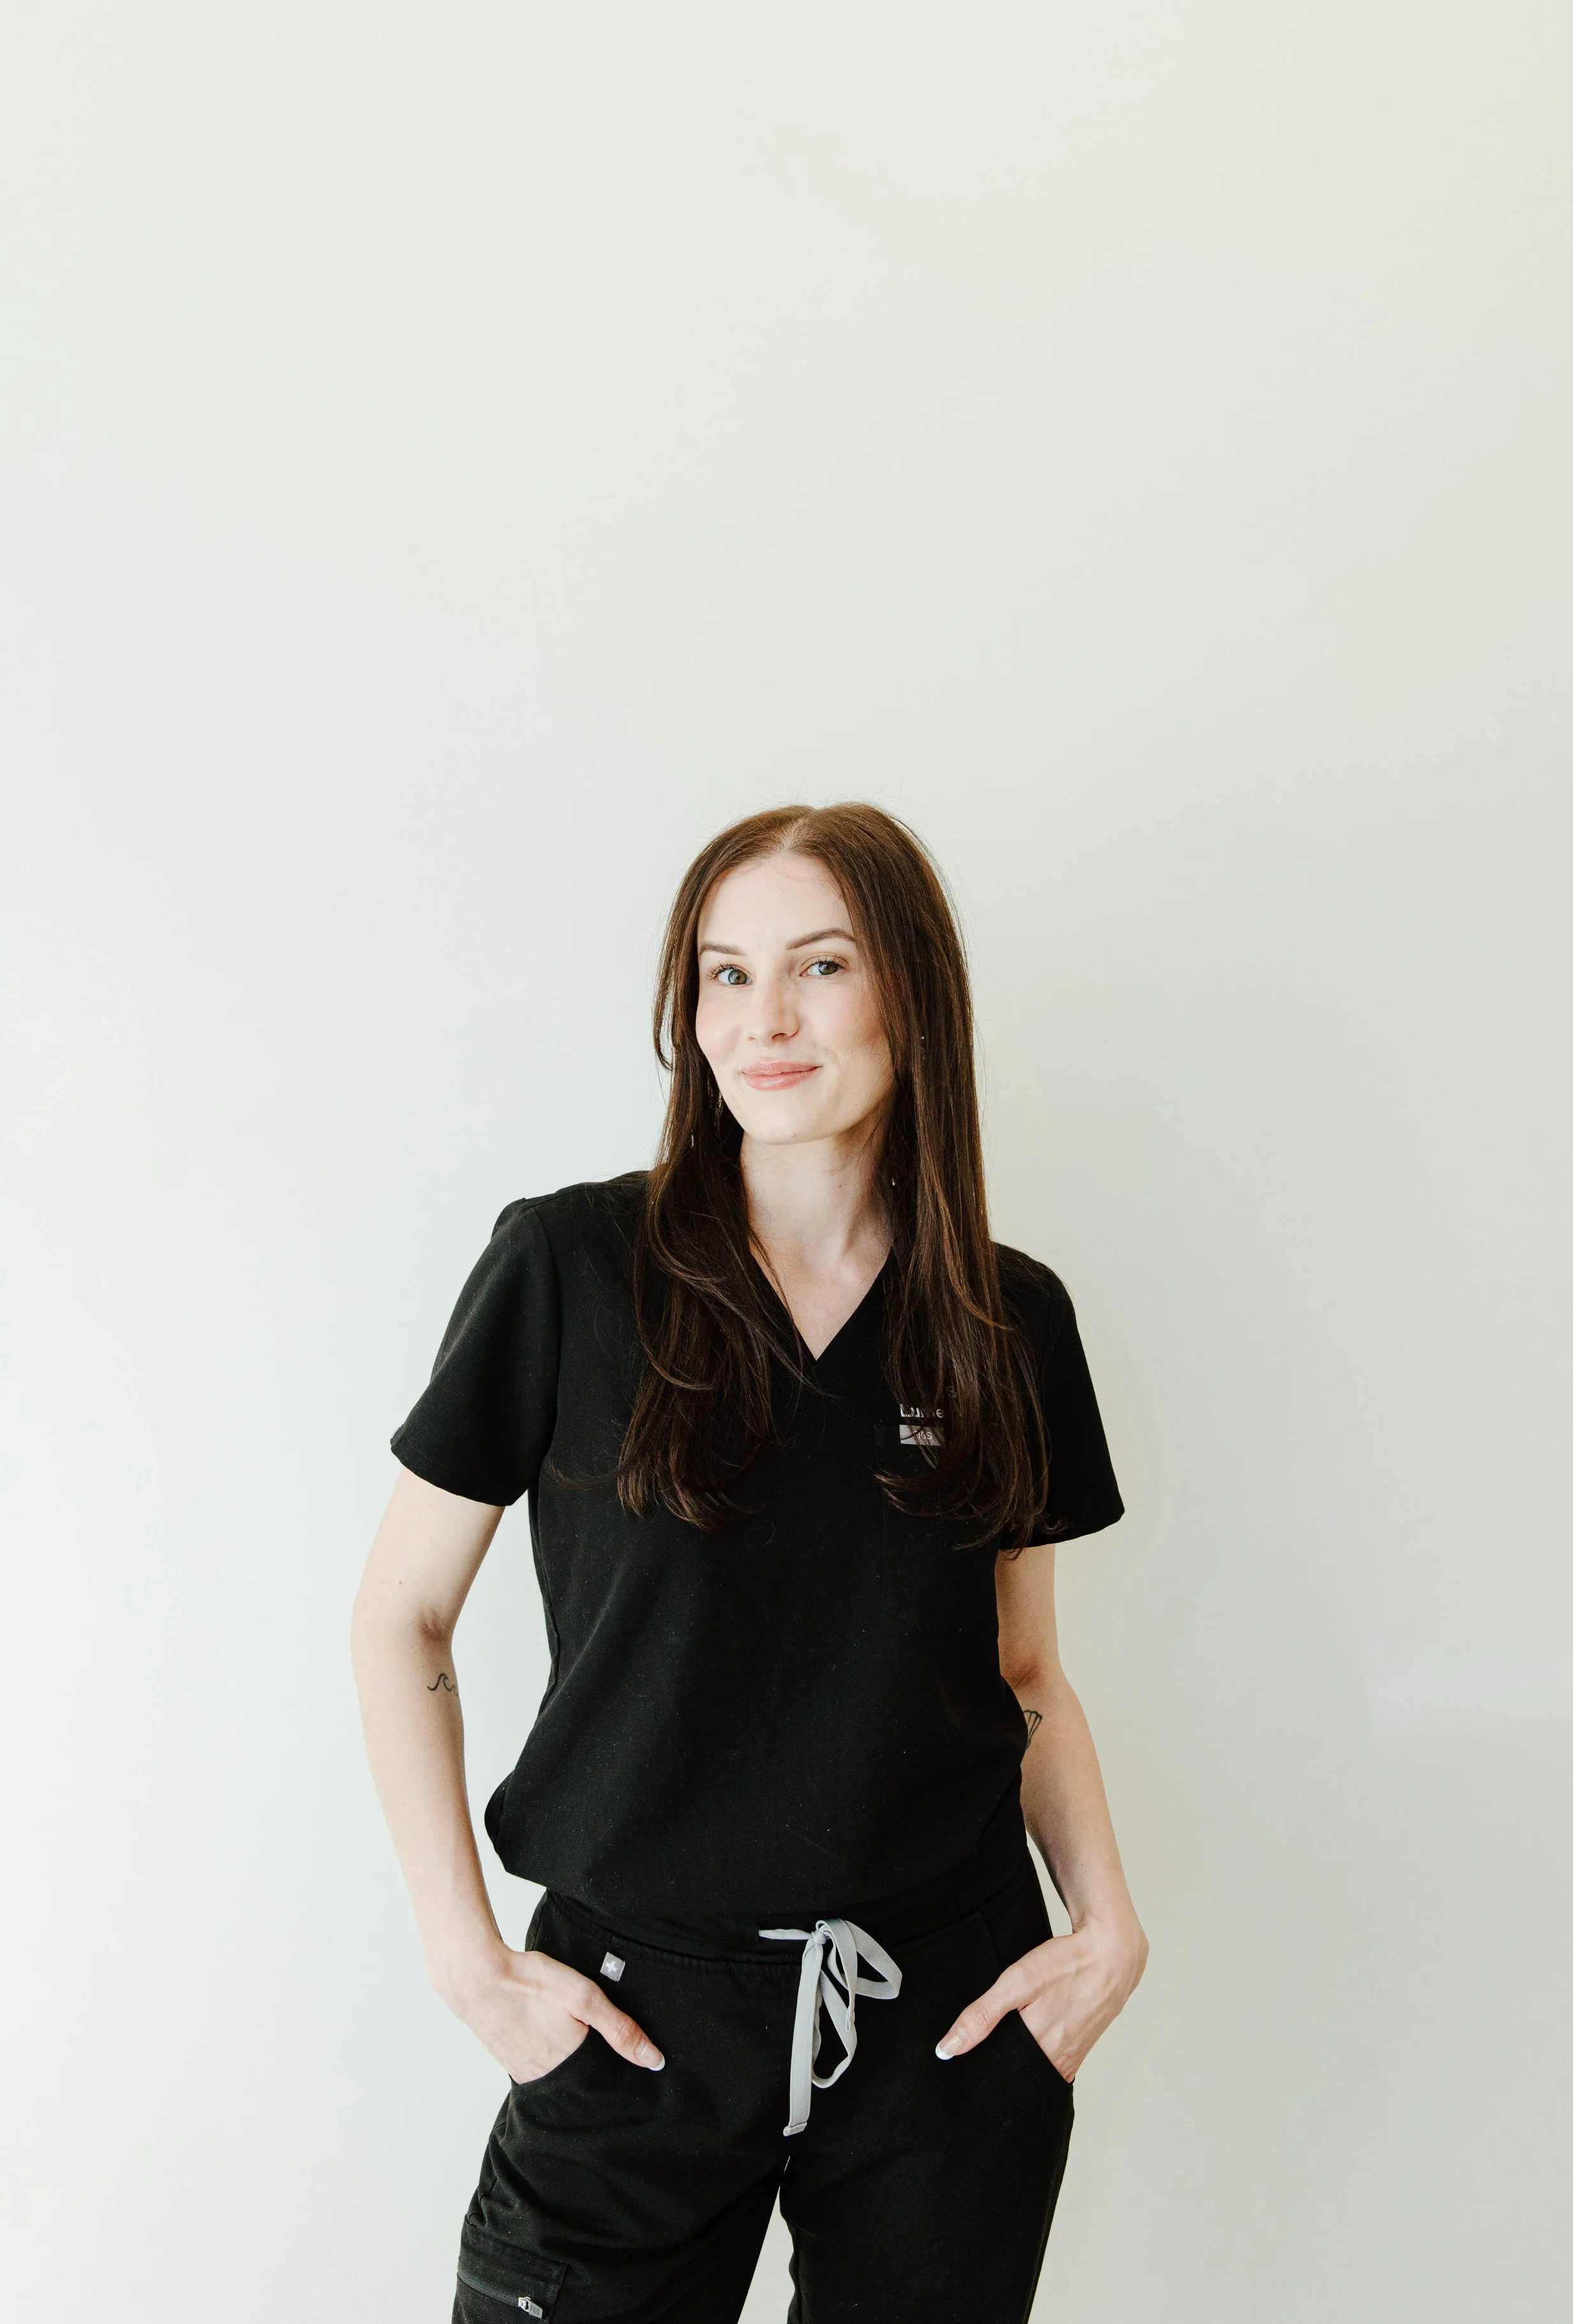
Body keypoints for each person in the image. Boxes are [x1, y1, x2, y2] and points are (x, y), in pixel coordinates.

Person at [352, 801, 1149, 2324]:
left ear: (907, 993)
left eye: (818, 966)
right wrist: (467, 1961)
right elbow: (400, 1619)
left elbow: (1022, 1668)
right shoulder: (568, 1269)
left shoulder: (1006, 1319)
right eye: (723, 974)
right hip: (634, 2023)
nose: (762, 1019)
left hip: (945, 2024)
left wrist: (1102, 1922)